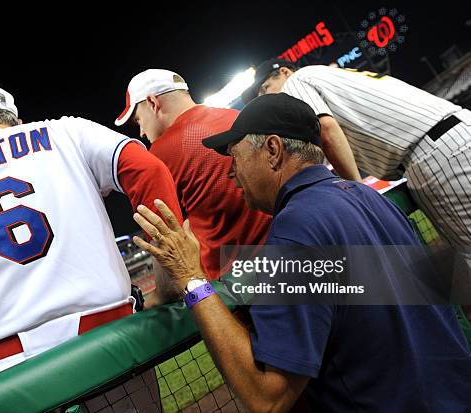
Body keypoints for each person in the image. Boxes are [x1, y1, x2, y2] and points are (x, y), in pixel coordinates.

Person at [131, 93, 471, 412]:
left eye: (234, 156)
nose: (231, 172)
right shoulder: (367, 196)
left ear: (273, 150)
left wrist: (192, 278)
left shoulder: (297, 227)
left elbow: (268, 399)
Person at [0, 84, 183, 392]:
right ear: (17, 121)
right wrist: (169, 279)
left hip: (8, 373)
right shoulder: (66, 132)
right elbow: (147, 170)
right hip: (110, 341)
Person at [241, 58, 471, 249]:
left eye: (266, 89)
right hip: (449, 138)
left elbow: (327, 131)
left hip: (437, 152)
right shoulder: (325, 75)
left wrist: (359, 195)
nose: (267, 99)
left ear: (284, 71)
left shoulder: (296, 81)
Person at [114, 69, 273, 295]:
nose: (140, 131)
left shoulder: (159, 157)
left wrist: (157, 299)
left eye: (138, 119)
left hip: (236, 291)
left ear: (152, 103)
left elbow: (166, 249)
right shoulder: (236, 116)